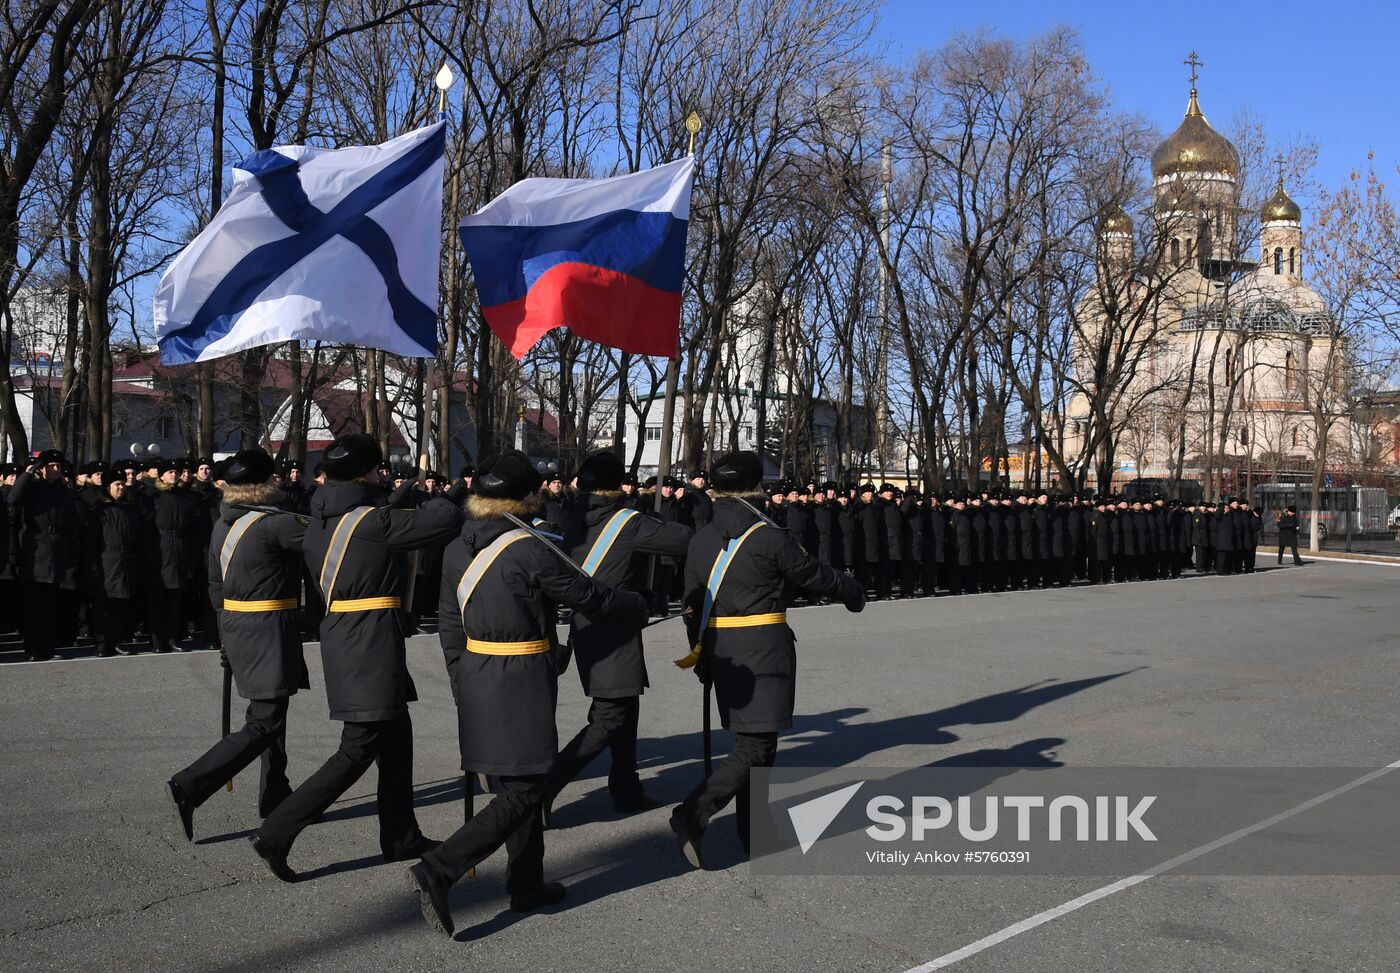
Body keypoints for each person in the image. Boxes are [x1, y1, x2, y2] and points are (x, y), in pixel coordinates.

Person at [408, 451, 648, 936]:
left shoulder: (458, 546)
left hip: (474, 670)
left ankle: (527, 883)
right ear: (527, 496)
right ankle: (439, 868)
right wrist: (635, 604)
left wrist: (460, 678)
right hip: (519, 677)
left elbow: (450, 624)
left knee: (512, 780)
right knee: (526, 787)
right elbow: (588, 595)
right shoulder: (529, 547)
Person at [249, 434, 463, 881]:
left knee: (396, 737)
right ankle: (276, 832)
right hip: (366, 639)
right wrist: (443, 493)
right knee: (357, 748)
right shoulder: (369, 521)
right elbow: (442, 521)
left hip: (353, 634)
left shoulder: (325, 513)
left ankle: (401, 835)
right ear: (368, 473)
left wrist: (396, 494)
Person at [668, 450, 865, 869]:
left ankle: (752, 830)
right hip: (762, 649)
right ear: (758, 486)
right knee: (756, 745)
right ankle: (694, 813)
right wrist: (852, 591)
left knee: (757, 741)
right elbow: (813, 575)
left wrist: (700, 652)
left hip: (720, 648)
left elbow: (690, 602)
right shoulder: (770, 536)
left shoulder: (701, 538)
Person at [168, 449, 308, 839]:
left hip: (238, 625)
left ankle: (276, 795)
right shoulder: (275, 523)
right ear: (268, 483)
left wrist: (224, 635)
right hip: (268, 627)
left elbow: (216, 585)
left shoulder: (223, 522)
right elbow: (327, 541)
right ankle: (190, 785)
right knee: (265, 721)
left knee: (272, 714)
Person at [545, 450, 693, 819]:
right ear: (618, 486)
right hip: (612, 625)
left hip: (592, 622)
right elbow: (681, 538)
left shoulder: (575, 514)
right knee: (611, 716)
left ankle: (626, 787)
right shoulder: (625, 521)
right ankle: (543, 789)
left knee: (624, 706)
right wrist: (646, 512)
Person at [9, 450, 81, 660]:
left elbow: (72, 525)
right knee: (34, 606)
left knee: (50, 607)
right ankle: (32, 647)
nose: (56, 470)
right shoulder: (32, 487)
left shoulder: (64, 492)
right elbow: (13, 498)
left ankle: (47, 647)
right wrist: (27, 473)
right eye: (51, 466)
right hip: (36, 552)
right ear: (43, 468)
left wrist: (71, 553)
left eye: (58, 467)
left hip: (57, 552)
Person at [83, 469, 144, 656]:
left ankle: (118, 640)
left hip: (126, 562)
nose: (121, 488)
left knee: (121, 606)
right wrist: (93, 566)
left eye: (122, 484)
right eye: (117, 484)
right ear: (108, 486)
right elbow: (91, 541)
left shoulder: (130, 508)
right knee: (104, 606)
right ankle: (102, 642)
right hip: (105, 563)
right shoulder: (99, 509)